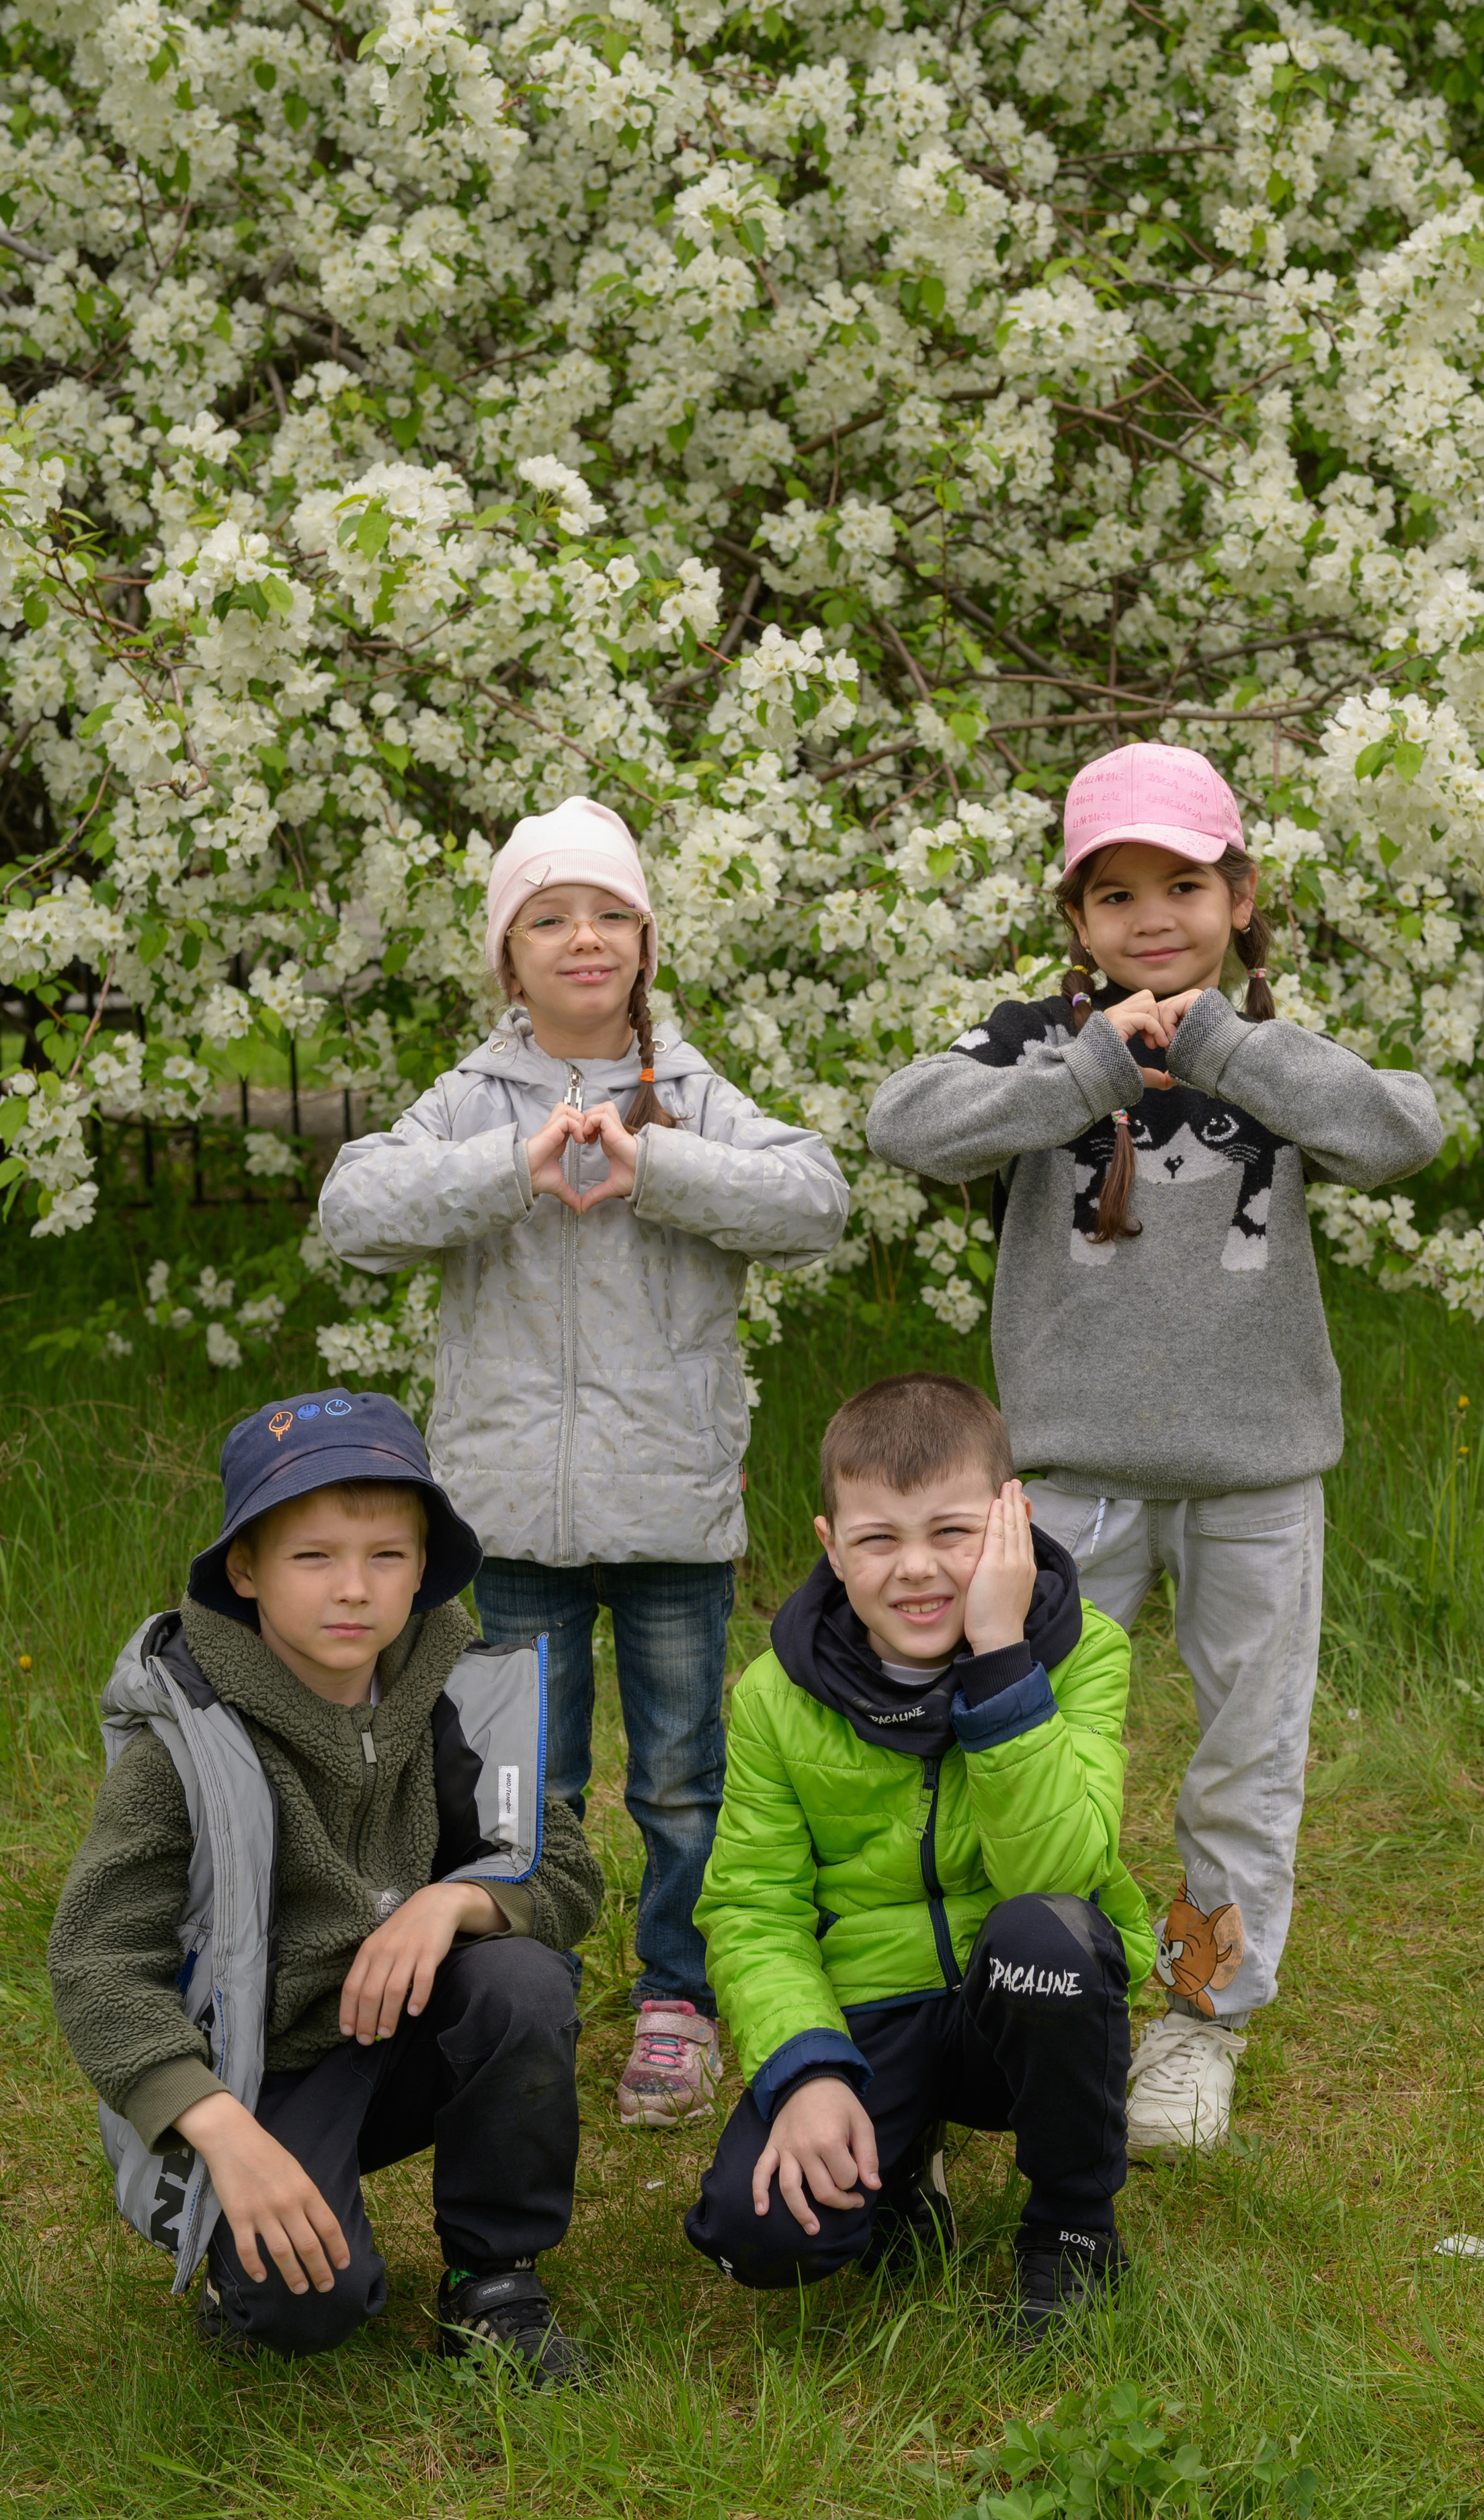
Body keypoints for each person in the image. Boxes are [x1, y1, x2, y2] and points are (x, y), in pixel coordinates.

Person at [866, 742, 1443, 2156]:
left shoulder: (1272, 1056)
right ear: (1074, 919)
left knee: (1245, 1756)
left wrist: (1224, 1052)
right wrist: (1080, 1070)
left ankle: (1198, 2015)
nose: (1150, 917)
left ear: (1238, 896)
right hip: (1069, 1475)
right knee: (1029, 1740)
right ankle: (1017, 1991)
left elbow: (1401, 1131)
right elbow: (902, 1124)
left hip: (1254, 1474)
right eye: (1113, 892)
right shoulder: (1030, 1043)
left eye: (1182, 883)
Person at [319, 797, 849, 2125]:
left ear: (645, 942)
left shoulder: (689, 1089)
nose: (583, 938)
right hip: (503, 1517)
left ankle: (677, 2001)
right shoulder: (471, 1099)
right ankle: (527, 1996)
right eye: (549, 917)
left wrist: (652, 1166)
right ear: (510, 957)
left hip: (669, 1508)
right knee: (521, 1780)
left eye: (610, 913)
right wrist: (512, 1166)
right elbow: (355, 1210)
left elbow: (813, 1200)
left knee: (681, 1777)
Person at [48, 1389, 604, 2384]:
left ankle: (495, 2282)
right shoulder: (186, 1741)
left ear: (423, 1567)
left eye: (386, 1556)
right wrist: (218, 2127)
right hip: (262, 2074)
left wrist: (452, 1904)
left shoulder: (456, 1695)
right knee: (306, 2310)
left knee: (521, 1980)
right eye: (313, 1558)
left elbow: (561, 1871)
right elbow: (96, 1962)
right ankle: (247, 2247)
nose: (354, 1589)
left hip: (409, 2029)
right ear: (246, 1570)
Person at [682, 1373, 1153, 2347]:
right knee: (759, 2233)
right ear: (830, 1548)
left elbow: (1063, 1872)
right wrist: (806, 2069)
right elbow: (753, 1909)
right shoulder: (775, 1696)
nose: (917, 1571)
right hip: (869, 2009)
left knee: (1049, 1933)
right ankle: (897, 2171)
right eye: (878, 1540)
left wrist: (1000, 1658)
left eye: (953, 1533)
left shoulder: (1086, 1654)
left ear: (1011, 1522)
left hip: (1017, 1999)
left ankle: (1071, 2227)